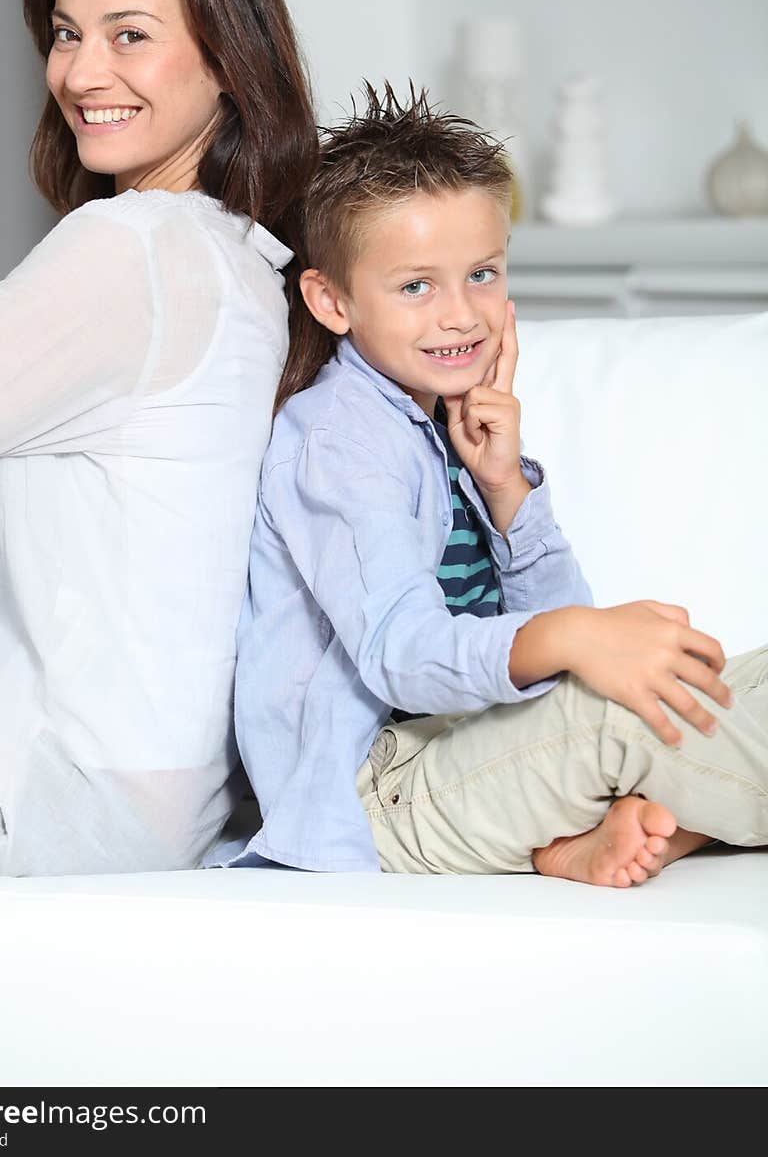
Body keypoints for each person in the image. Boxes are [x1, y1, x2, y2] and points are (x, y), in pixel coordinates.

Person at [218, 82, 768, 886]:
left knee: (710, 678)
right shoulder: (339, 442)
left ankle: (581, 839)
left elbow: (550, 622)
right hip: (381, 793)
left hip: (480, 744)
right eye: (416, 286)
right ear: (331, 300)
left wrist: (507, 488)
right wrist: (575, 636)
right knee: (620, 712)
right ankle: (626, 819)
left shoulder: (449, 419)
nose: (462, 314)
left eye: (482, 273)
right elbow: (402, 655)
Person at [0, 0, 318, 877]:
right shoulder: (247, 256)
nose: (82, 72)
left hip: (23, 815)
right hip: (154, 815)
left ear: (226, 54)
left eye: (129, 34)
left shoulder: (129, 250)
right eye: (66, 32)